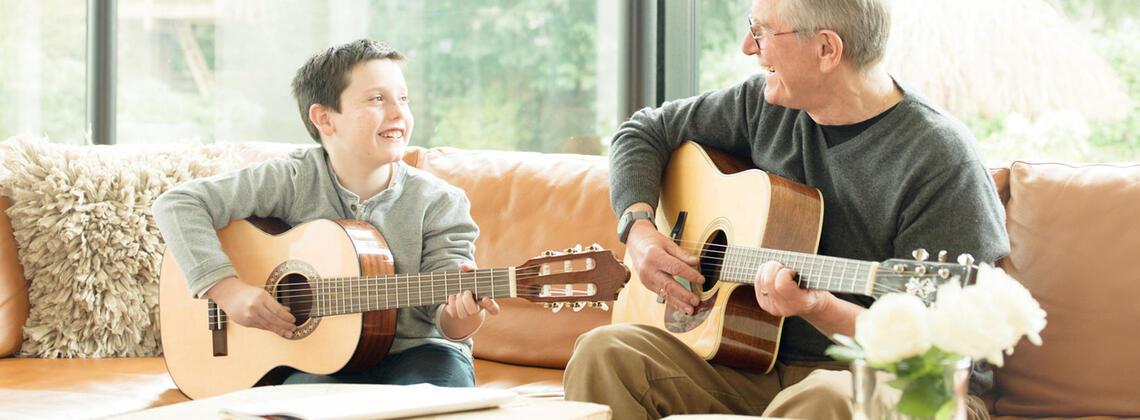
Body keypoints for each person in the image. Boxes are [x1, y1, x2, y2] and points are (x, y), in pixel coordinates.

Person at [563, 0, 1009, 418]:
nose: (747, 47)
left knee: (822, 396)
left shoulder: (939, 159)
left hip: (895, 381)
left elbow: (942, 347)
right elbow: (643, 132)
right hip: (757, 367)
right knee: (604, 353)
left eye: (761, 32)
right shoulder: (762, 105)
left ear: (826, 49)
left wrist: (818, 307)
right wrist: (639, 230)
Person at [153, 39, 498, 387]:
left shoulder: (441, 202)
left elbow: (449, 321)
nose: (398, 113)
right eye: (377, 99)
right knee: (301, 405)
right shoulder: (292, 178)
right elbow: (177, 205)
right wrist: (228, 291)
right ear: (324, 118)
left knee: (442, 401)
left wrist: (464, 313)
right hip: (316, 358)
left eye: (403, 98)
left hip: (419, 353)